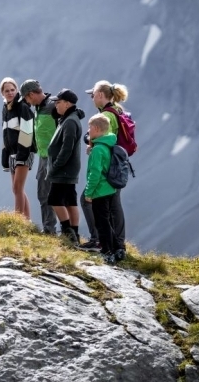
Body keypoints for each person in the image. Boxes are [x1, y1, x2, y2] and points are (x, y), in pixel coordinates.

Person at [86, 80, 129, 261]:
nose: (92, 97)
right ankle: (116, 246)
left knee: (104, 215)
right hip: (113, 172)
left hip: (104, 180)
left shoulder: (107, 116)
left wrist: (92, 144)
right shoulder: (117, 110)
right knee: (112, 209)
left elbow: (95, 171)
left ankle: (109, 248)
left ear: (101, 95)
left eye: (93, 94)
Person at [20, 80, 58, 234]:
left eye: (26, 98)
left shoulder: (54, 106)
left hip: (55, 157)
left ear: (31, 94)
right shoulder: (38, 108)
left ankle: (65, 230)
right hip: (43, 157)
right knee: (43, 193)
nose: (26, 102)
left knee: (56, 194)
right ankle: (48, 229)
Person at [47, 89, 84, 245]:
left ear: (68, 104)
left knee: (54, 199)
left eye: (59, 102)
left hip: (63, 170)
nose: (56, 105)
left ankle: (67, 233)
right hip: (69, 170)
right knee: (70, 201)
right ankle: (75, 235)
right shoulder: (69, 119)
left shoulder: (70, 122)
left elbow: (66, 148)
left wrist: (55, 166)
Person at [83, 113, 121, 264]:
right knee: (107, 221)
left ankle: (107, 252)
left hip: (100, 190)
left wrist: (89, 192)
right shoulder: (108, 143)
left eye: (90, 127)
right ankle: (118, 249)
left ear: (97, 129)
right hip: (110, 189)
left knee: (101, 223)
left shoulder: (98, 149)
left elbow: (95, 173)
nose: (88, 130)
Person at [0, 78, 35, 220]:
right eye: (7, 91)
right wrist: (5, 156)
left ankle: (18, 221)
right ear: (2, 93)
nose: (10, 93)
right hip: (12, 154)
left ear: (17, 90)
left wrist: (22, 155)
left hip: (24, 152)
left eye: (12, 90)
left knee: (17, 187)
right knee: (16, 189)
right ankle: (26, 221)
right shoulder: (6, 109)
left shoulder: (22, 107)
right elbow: (5, 133)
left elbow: (27, 132)